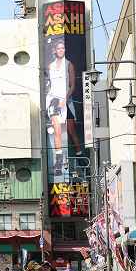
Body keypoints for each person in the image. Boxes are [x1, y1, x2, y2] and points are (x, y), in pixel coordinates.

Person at [45, 39, 82, 176]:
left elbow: (72, 85)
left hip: (66, 100)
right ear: (55, 50)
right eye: (59, 48)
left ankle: (80, 156)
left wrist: (65, 99)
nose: (61, 50)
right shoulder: (50, 66)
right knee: (57, 129)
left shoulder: (69, 65)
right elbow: (48, 83)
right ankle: (59, 161)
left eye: (63, 48)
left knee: (71, 131)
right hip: (53, 99)